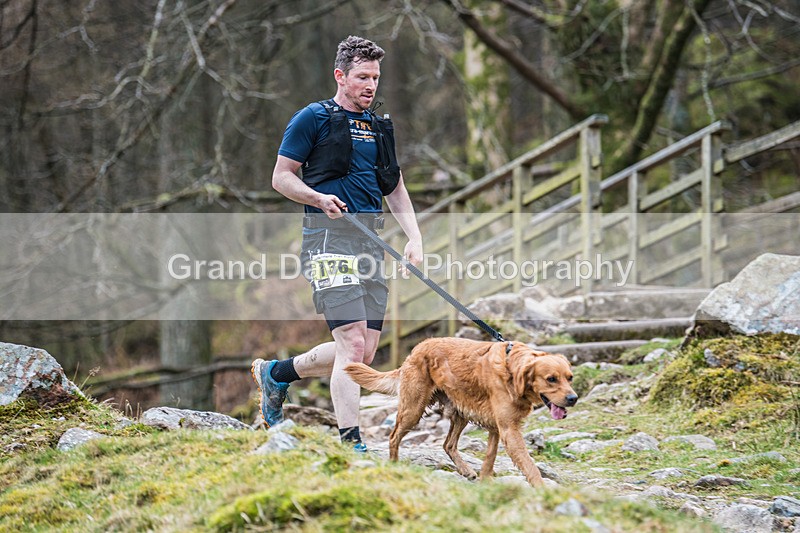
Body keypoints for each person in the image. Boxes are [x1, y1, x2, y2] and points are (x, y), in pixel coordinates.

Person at [251, 36, 423, 452]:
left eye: (375, 78)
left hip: (371, 244)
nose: (370, 85)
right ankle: (351, 443)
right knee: (352, 343)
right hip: (327, 240)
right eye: (362, 77)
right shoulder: (313, 118)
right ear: (340, 76)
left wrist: (415, 237)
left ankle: (277, 374)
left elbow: (395, 188)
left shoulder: (378, 127)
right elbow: (281, 176)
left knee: (364, 353)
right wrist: (317, 198)